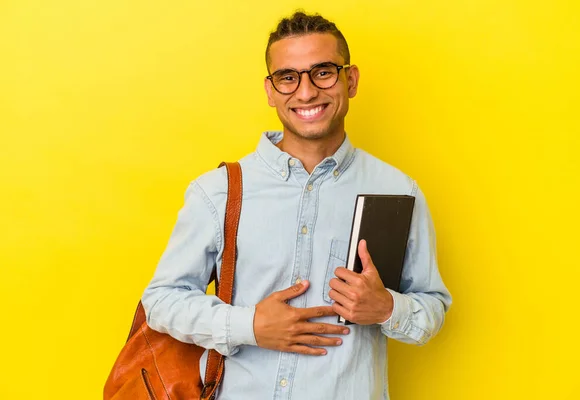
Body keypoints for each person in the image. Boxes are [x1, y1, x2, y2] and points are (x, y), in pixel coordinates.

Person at [142, 11, 452, 400]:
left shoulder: (397, 190)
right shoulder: (218, 191)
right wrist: (249, 325)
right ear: (271, 90)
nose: (305, 92)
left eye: (323, 72)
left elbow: (432, 306)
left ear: (350, 79)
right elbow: (161, 301)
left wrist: (387, 308)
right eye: (288, 77)